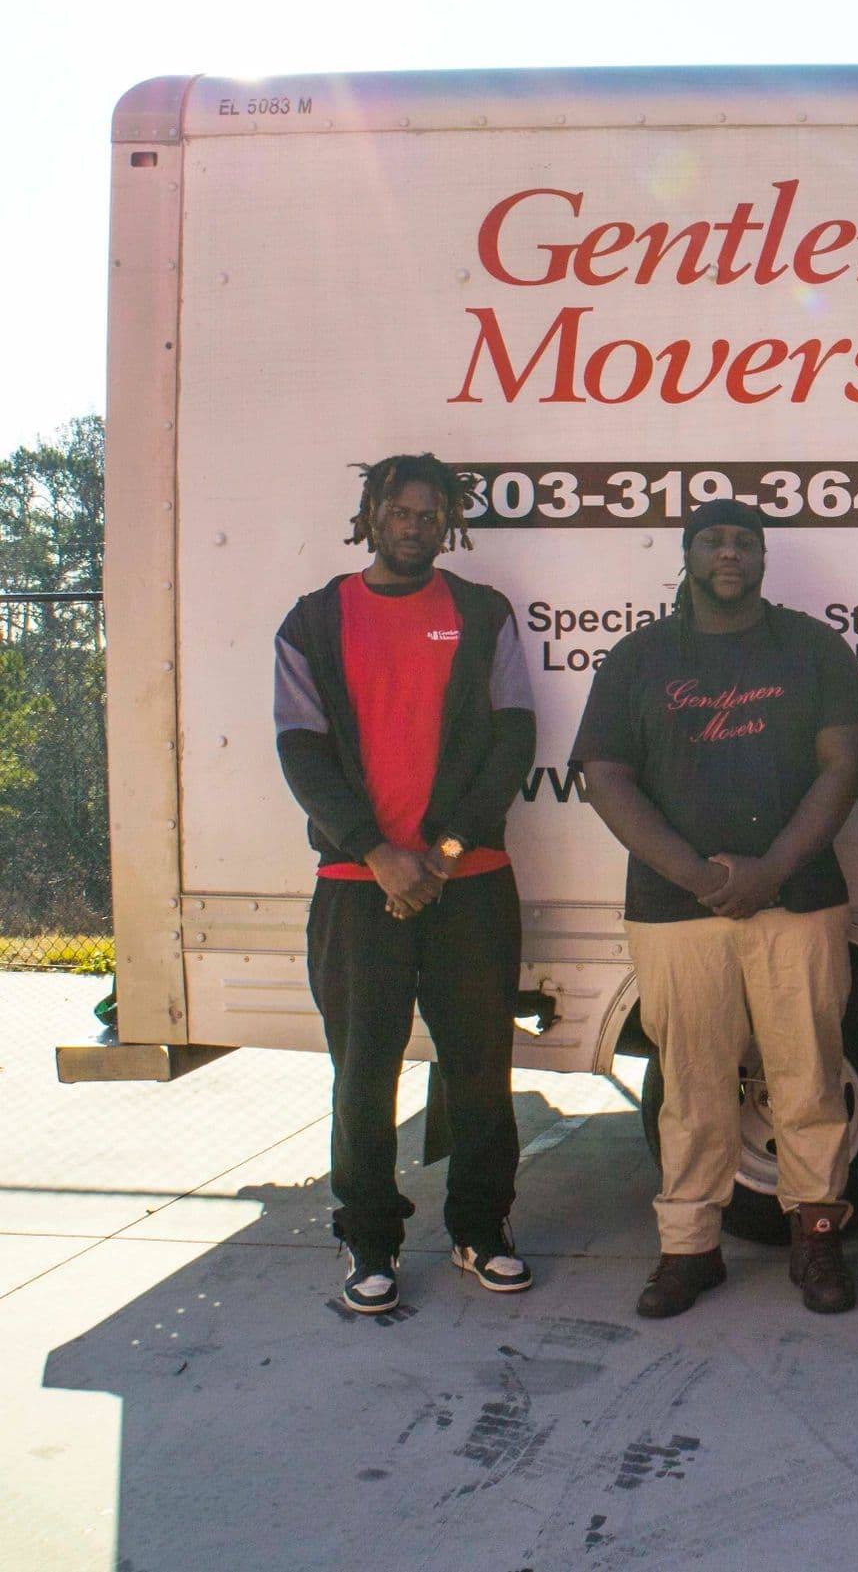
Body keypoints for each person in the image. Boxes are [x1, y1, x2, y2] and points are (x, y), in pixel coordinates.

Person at [570, 499, 858, 1319]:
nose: (730, 553)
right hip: (675, 909)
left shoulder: (810, 648)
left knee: (808, 1078)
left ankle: (815, 1236)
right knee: (693, 1085)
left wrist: (771, 866)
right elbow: (605, 774)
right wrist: (702, 875)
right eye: (714, 541)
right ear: (688, 555)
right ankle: (689, 1249)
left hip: (800, 900)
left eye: (746, 541)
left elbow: (842, 766)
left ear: (766, 558)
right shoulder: (640, 657)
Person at [273, 452, 536, 1315]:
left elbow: (511, 739)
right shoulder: (314, 621)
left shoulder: (481, 613)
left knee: (480, 1065)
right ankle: (370, 1242)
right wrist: (378, 852)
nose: (417, 525)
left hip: (473, 880)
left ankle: (480, 1230)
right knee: (363, 1069)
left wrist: (446, 850)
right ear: (372, 513)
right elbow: (301, 749)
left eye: (433, 513)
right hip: (358, 884)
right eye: (403, 510)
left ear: (448, 523)